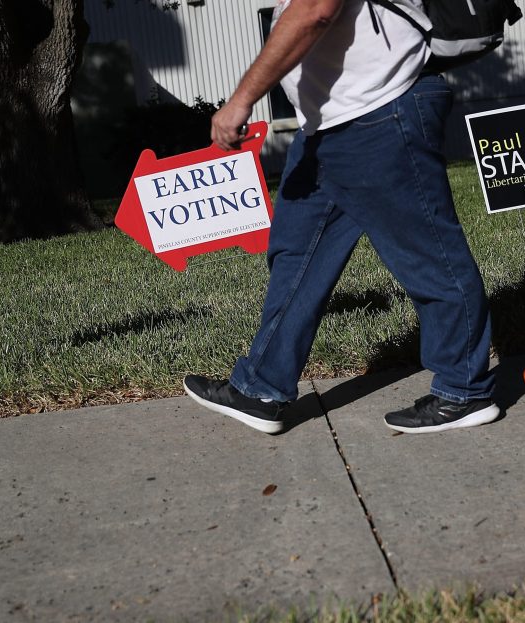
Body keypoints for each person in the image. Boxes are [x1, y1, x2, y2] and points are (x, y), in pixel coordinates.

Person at [183, 0, 498, 434]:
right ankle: (260, 388)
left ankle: (465, 390)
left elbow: (315, 10)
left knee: (428, 257)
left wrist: (241, 100)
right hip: (328, 127)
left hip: (381, 113)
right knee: (297, 257)